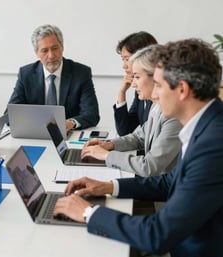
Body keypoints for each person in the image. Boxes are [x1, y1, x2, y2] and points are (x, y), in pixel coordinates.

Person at [53, 39, 223, 257]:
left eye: (159, 86)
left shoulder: (213, 144)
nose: (154, 95)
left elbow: (157, 235)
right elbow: (170, 181)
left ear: (182, 89)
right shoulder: (205, 125)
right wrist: (107, 186)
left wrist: (88, 213)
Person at [81, 45, 182, 177]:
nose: (133, 84)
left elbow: (149, 166)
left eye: (137, 77)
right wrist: (109, 145)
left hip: (163, 190)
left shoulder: (173, 115)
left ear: (156, 77)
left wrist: (107, 156)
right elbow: (139, 137)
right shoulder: (156, 106)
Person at [7, 24, 99, 132]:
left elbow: (92, 114)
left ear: (62, 47)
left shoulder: (81, 73)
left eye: (55, 48)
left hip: (68, 135)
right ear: (36, 53)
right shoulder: (26, 74)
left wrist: (71, 123)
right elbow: (10, 115)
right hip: (36, 135)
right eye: (45, 51)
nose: (51, 55)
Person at [114, 31, 158, 136]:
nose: (123, 66)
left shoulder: (160, 94)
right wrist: (121, 93)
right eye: (122, 59)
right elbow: (125, 130)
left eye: (127, 59)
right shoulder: (141, 90)